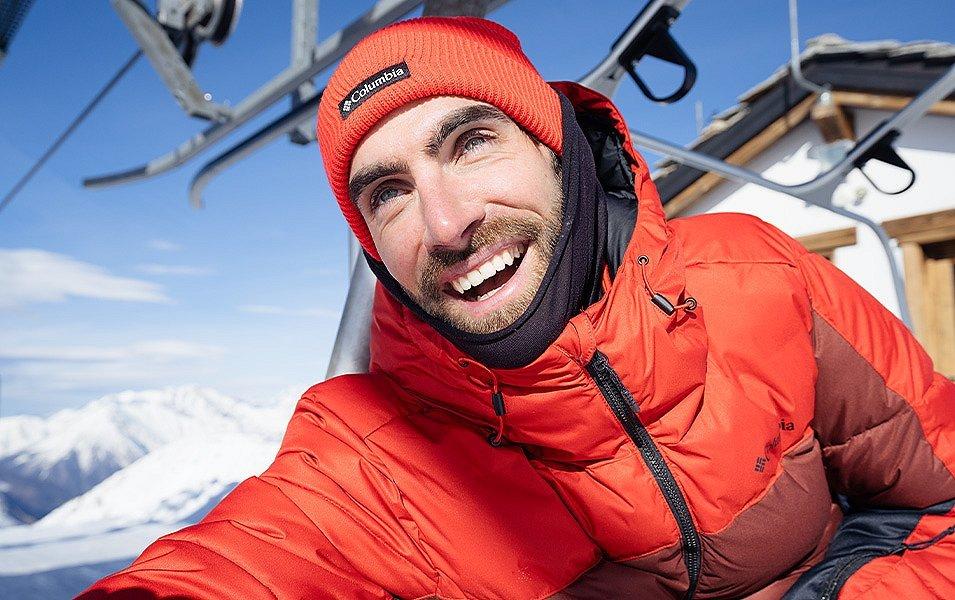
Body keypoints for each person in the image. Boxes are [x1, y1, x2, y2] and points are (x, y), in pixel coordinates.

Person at [81, 16, 955, 600]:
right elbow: (243, 563)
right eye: (387, 192)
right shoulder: (380, 444)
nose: (448, 222)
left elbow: (939, 493)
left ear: (553, 147)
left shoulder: (755, 277)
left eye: (470, 142)